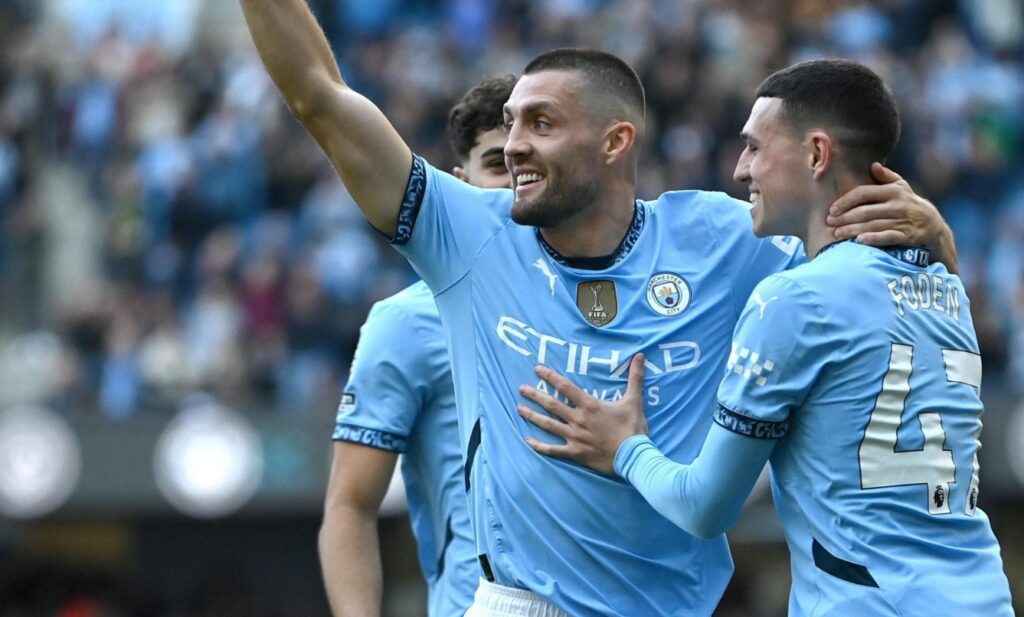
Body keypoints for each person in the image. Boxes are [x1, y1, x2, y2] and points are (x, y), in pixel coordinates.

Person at [239, 2, 957, 613]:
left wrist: (938, 237)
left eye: (541, 123)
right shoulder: (466, 237)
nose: (514, 146)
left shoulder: (728, 240)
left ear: (616, 141)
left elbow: (897, 299)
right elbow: (318, 96)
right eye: (511, 125)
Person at [517, 59, 1014, 615]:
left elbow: (704, 507)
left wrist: (625, 447)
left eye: (754, 147)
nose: (739, 169)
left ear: (817, 154)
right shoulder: (947, 284)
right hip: (983, 596)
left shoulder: (794, 299)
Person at [319, 75, 516, 617]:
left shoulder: (606, 299)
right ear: (461, 181)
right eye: (497, 164)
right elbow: (351, 505)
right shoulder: (408, 321)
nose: (516, 182)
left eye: (528, 163)